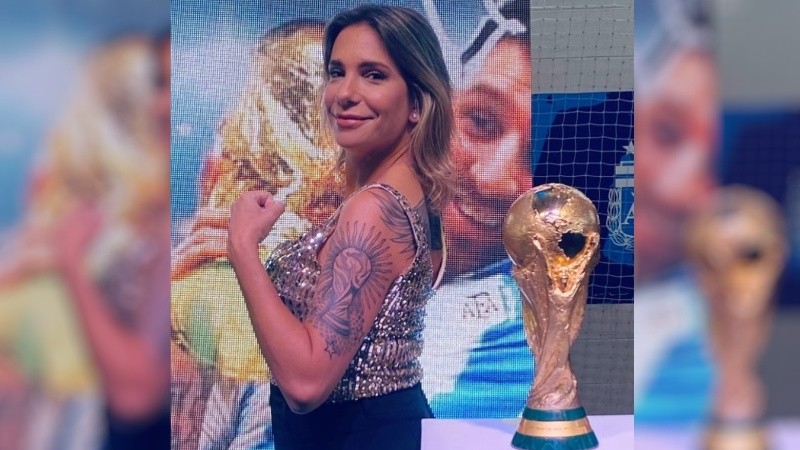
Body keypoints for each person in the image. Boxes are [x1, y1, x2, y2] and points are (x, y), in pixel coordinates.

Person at [226, 5, 451, 449]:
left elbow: (306, 383)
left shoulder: (373, 209)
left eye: (373, 75)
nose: (344, 93)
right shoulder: (415, 192)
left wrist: (243, 248)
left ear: (416, 102)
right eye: (336, 72)